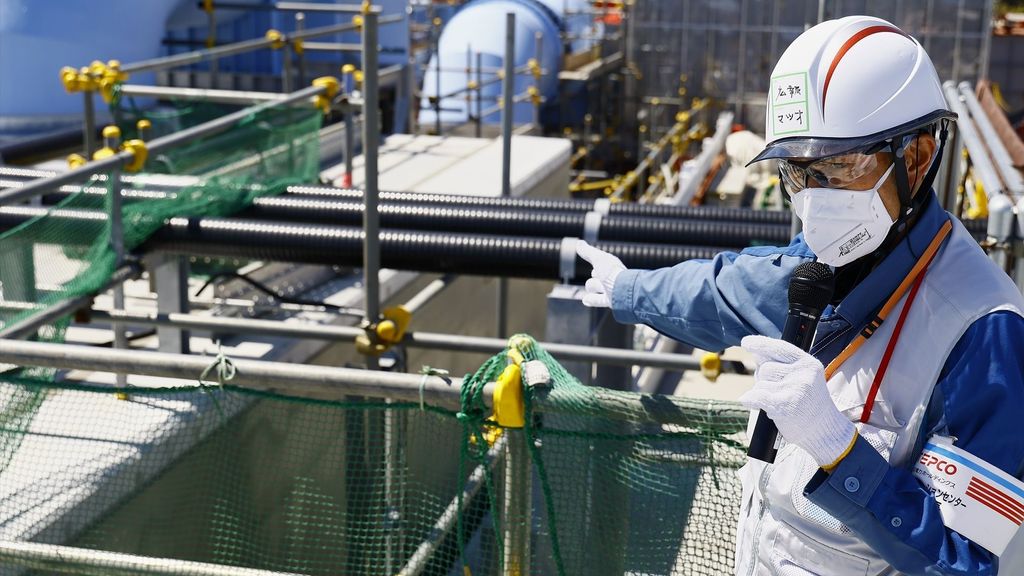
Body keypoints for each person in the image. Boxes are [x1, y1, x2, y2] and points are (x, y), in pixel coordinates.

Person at [576, 15, 1024, 576]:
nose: (814, 201)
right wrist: (628, 288)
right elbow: (722, 291)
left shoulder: (983, 333)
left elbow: (966, 562)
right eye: (797, 173)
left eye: (838, 168)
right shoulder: (825, 267)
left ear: (915, 157)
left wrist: (841, 451)